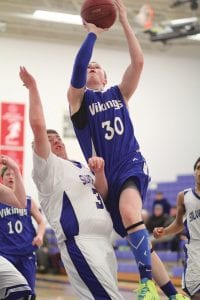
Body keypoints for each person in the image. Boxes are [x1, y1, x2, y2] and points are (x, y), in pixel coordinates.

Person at [67, 1, 188, 299]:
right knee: (138, 237)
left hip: (130, 162)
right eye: (90, 67)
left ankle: (146, 284)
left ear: (106, 78)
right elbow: (78, 68)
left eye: (98, 67)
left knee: (129, 210)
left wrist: (123, 19)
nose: (92, 68)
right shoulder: (79, 103)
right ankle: (173, 295)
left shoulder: (118, 94)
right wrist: (92, 34)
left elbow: (138, 63)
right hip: (105, 178)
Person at [19, 66, 124, 300]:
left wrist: (100, 173)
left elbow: (102, 195)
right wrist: (33, 88)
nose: (55, 142)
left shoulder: (80, 166)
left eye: (58, 139)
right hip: (81, 242)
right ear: (40, 149)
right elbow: (37, 126)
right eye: (49, 141)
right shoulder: (47, 169)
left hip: (104, 242)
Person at [154, 157, 200, 300]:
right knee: (196, 296)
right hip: (195, 252)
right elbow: (179, 224)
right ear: (194, 172)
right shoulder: (184, 196)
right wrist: (165, 231)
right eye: (198, 168)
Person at [0, 165, 46, 300]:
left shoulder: (27, 200)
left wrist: (40, 235)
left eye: (13, 174)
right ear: (2, 179)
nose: (11, 177)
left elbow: (41, 221)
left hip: (26, 252)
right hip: (5, 252)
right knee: (9, 291)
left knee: (28, 292)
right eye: (7, 174)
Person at [0, 155, 32, 300]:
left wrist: (15, 169)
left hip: (22, 250)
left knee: (20, 287)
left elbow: (21, 203)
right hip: (6, 250)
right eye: (8, 174)